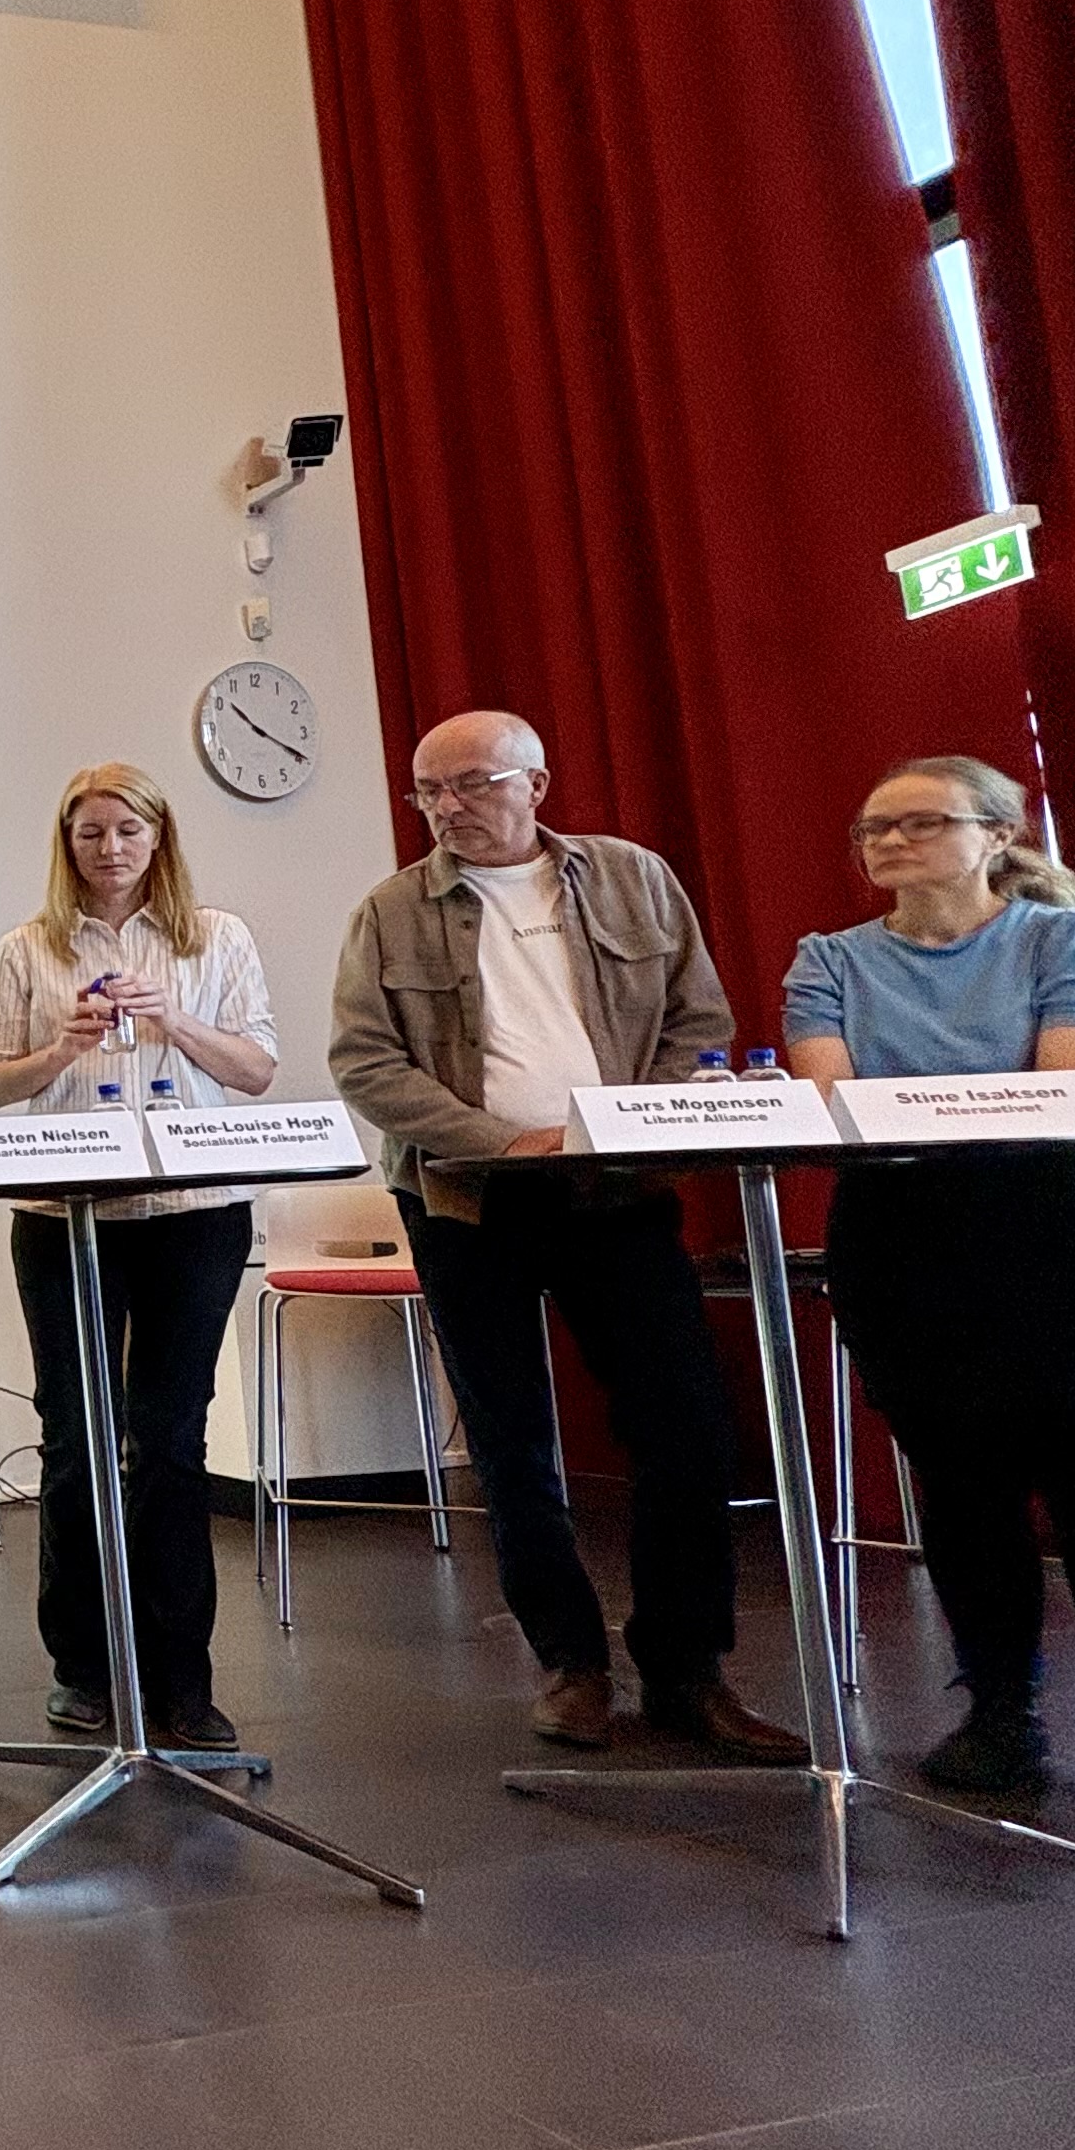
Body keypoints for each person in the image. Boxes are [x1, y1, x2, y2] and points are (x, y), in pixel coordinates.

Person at [328, 709, 806, 1759]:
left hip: (618, 1192)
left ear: (536, 784)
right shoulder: (391, 911)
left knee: (685, 1426)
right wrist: (504, 1142)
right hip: (467, 1199)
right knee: (511, 1441)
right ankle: (570, 1663)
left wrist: (621, 1129)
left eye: (471, 784)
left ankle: (686, 1669)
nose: (448, 808)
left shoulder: (634, 878)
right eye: (429, 791)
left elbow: (698, 1022)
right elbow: (366, 1062)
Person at [782, 757, 1075, 1800]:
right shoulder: (828, 959)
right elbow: (832, 1110)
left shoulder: (1072, 935)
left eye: (919, 822)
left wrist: (916, 1108)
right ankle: (1002, 1716)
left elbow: (1066, 1088)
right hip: (904, 1241)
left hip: (1068, 1231)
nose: (889, 842)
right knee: (963, 1490)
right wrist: (956, 1106)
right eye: (872, 829)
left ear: (1000, 832)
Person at [0, 763, 274, 1750]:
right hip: (65, 1217)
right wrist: (63, 1048)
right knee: (75, 1436)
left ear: (158, 838)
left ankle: (182, 1678)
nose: (110, 850)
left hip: (194, 1213)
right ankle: (83, 1668)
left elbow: (257, 1070)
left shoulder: (217, 937)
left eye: (127, 831)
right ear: (68, 844)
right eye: (90, 833)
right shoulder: (27, 947)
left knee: (171, 1439)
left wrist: (173, 1021)